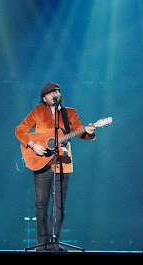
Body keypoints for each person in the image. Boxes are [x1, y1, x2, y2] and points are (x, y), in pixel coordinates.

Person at [15, 82, 95, 251]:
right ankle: (41, 244)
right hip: (41, 164)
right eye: (50, 92)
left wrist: (90, 131)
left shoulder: (69, 113)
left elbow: (80, 131)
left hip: (62, 165)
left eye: (56, 91)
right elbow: (20, 130)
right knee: (41, 204)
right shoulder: (38, 111)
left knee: (59, 206)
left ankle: (54, 243)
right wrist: (33, 144)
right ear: (44, 98)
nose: (54, 94)